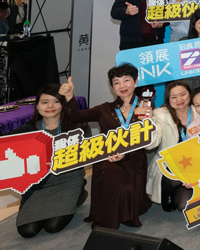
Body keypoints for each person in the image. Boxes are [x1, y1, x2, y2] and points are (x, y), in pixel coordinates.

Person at [0, 84, 86, 238]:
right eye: (45, 102)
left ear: (63, 105)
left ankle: (79, 193)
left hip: (67, 181)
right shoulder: (30, 129)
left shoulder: (76, 126)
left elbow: (85, 154)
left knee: (53, 227)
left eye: (56, 101)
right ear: (37, 106)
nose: (50, 106)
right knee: (27, 231)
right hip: (38, 185)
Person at [60, 66, 154, 229]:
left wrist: (149, 120)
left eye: (126, 80)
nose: (122, 86)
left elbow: (148, 138)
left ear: (136, 81)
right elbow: (77, 116)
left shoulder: (146, 107)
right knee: (121, 187)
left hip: (133, 160)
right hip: (108, 158)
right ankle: (106, 225)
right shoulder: (104, 109)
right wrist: (69, 96)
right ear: (112, 87)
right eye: (116, 82)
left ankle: (126, 213)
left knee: (131, 193)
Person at [149, 81, 200, 212]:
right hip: (170, 164)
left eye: (183, 94)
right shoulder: (160, 115)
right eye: (174, 97)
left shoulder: (199, 110)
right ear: (168, 99)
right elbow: (152, 144)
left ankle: (187, 188)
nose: (179, 100)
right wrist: (148, 123)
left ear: (190, 94)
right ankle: (167, 193)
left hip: (195, 161)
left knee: (183, 205)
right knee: (172, 186)